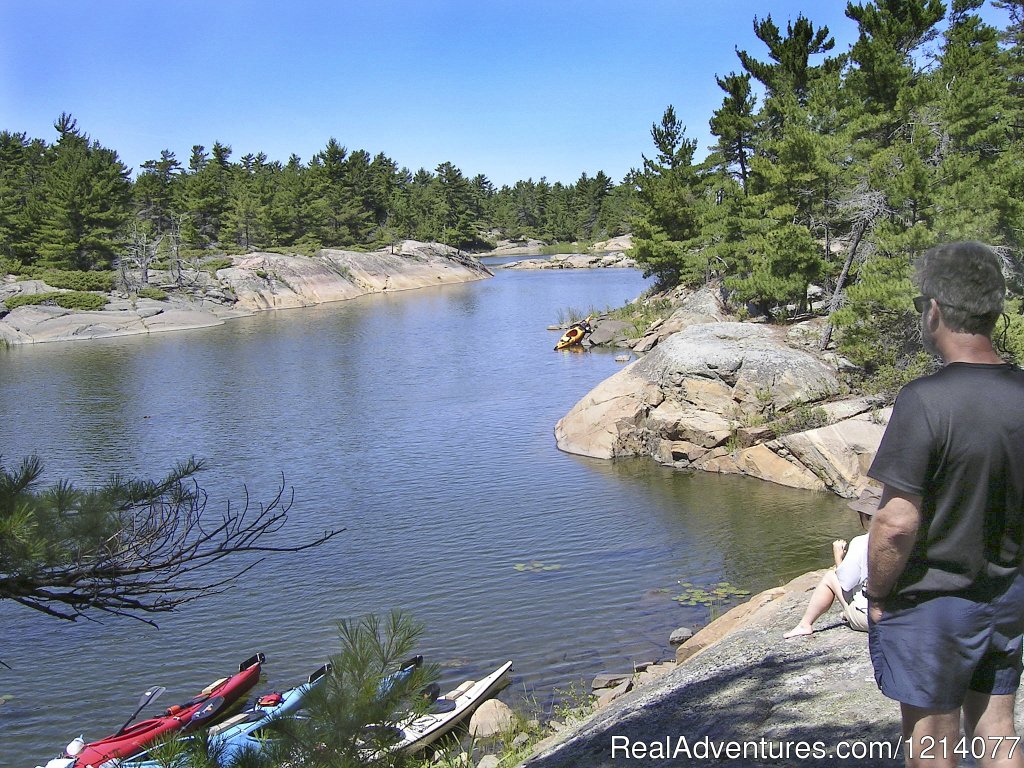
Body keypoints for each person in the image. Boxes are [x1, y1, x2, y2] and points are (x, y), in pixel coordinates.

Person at [865, 241, 1024, 767]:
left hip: (934, 605)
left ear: (934, 309)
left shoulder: (925, 400)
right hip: (1006, 595)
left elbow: (895, 524)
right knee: (998, 728)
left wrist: (878, 592)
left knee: (932, 740)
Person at [783, 487, 879, 638]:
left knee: (829, 577)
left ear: (865, 517)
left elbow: (846, 583)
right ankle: (848, 613)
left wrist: (838, 557)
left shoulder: (861, 542)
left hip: (873, 620)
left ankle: (805, 624)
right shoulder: (905, 540)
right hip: (898, 617)